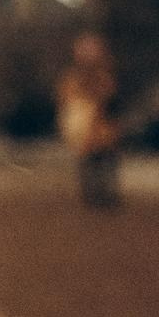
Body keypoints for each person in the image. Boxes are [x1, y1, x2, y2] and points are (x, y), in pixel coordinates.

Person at [56, 29, 124, 207]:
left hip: (102, 129)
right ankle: (94, 195)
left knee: (104, 163)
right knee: (90, 165)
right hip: (87, 131)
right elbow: (68, 102)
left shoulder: (104, 76)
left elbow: (110, 98)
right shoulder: (73, 78)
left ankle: (104, 195)